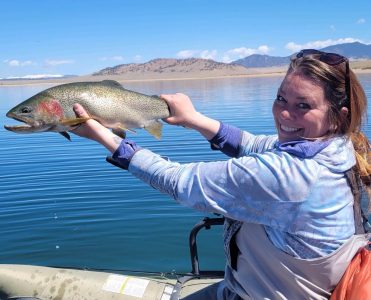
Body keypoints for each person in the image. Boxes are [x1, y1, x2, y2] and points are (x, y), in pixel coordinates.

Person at [71, 49, 371, 299]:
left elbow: (180, 182)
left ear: (337, 116)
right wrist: (194, 119)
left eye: (302, 106)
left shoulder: (293, 176)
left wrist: (105, 138)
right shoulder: (339, 148)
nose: (283, 114)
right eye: (281, 98)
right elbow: (253, 145)